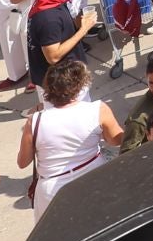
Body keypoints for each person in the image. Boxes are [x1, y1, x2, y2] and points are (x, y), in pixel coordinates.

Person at [19, 59, 123, 217]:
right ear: (80, 85)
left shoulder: (34, 121)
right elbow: (116, 140)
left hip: (51, 192)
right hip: (94, 178)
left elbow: (22, 162)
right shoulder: (97, 110)